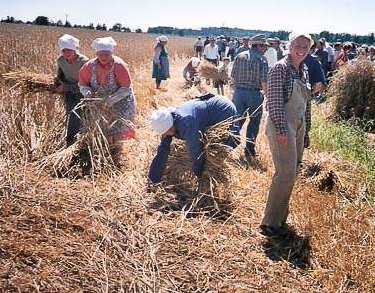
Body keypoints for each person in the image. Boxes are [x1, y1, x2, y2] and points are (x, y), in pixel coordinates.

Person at [260, 31, 313, 237]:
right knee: (285, 173)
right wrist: (282, 130)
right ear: (289, 47)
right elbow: (273, 103)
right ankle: (270, 224)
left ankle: (280, 218)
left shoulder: (304, 70)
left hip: (298, 126)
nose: (301, 50)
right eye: (297, 45)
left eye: (305, 47)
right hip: (281, 125)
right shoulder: (279, 69)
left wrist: (306, 130)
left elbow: (307, 104)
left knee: (293, 172)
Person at [147, 95, 238, 184]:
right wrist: (152, 178)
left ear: (170, 127)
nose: (164, 135)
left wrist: (199, 173)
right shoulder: (167, 122)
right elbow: (162, 150)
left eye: (164, 133)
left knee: (218, 148)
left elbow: (196, 150)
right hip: (207, 112)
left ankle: (215, 179)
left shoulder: (186, 124)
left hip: (223, 110)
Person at [78, 36, 136, 164]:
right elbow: (82, 84)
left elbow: (125, 88)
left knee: (118, 129)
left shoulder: (119, 65)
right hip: (99, 101)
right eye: (101, 54)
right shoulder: (89, 66)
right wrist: (86, 91)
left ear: (111, 53)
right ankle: (103, 153)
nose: (104, 57)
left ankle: (116, 157)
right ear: (96, 53)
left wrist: (109, 101)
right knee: (102, 128)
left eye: (107, 54)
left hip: (121, 100)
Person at [230, 34, 269, 158]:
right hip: (254, 94)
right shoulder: (262, 59)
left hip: (239, 93)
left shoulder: (239, 56)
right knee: (254, 123)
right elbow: (264, 81)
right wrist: (267, 96)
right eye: (264, 46)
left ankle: (227, 147)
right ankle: (249, 150)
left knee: (236, 122)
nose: (266, 48)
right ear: (258, 45)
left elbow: (233, 76)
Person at [54, 34, 89, 146]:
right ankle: (71, 141)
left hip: (83, 92)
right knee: (70, 113)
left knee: (83, 114)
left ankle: (84, 140)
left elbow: (87, 83)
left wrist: (65, 87)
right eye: (63, 50)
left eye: (69, 50)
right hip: (69, 92)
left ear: (74, 49)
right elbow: (60, 74)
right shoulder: (60, 60)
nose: (66, 53)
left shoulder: (83, 61)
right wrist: (57, 82)